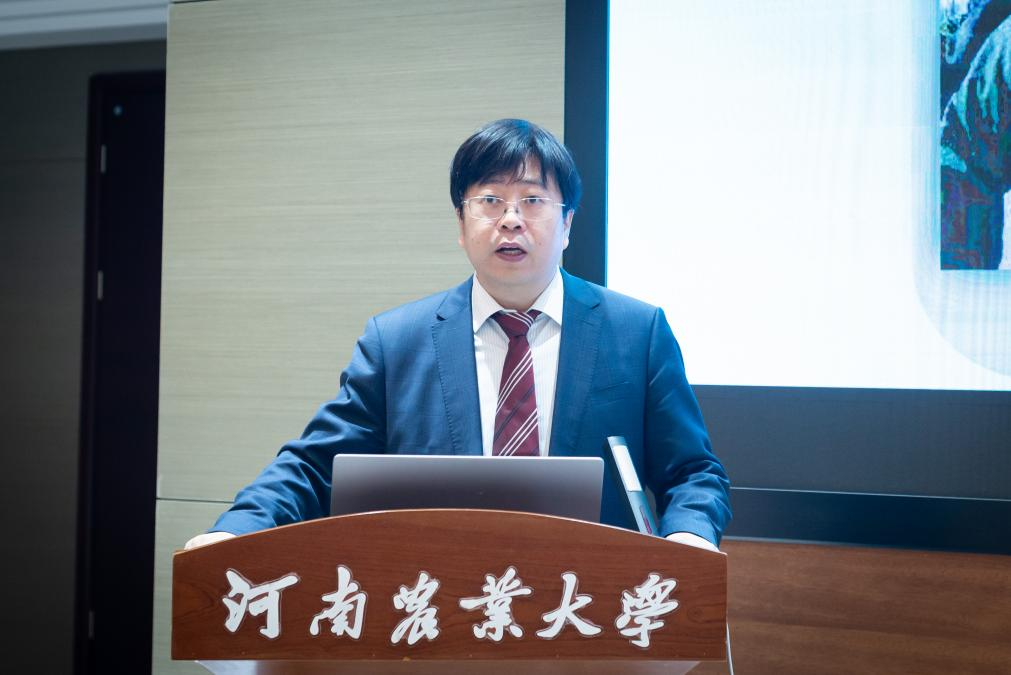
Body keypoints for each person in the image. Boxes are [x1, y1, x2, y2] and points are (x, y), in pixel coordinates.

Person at [185, 119, 731, 551]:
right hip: (439, 606)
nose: (511, 219)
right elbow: (312, 467)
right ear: (461, 224)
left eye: (533, 200)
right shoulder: (396, 342)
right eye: (489, 201)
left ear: (567, 223)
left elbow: (693, 472)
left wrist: (689, 537)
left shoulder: (636, 332)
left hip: (590, 605)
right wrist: (236, 530)